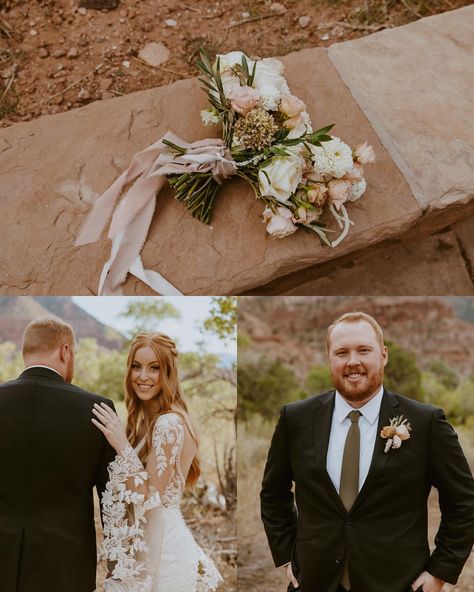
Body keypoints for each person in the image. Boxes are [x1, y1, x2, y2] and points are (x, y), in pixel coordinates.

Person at [260, 311, 474, 592]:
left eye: (364, 350)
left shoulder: (426, 423)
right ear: (329, 358)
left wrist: (439, 572)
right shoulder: (295, 419)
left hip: (398, 584)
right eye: (341, 352)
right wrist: (287, 556)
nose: (353, 362)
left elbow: (464, 502)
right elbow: (273, 495)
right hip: (314, 582)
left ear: (383, 355)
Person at [91, 332, 223, 592]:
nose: (143, 376)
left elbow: (150, 495)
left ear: (169, 372)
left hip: (163, 555)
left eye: (155, 368)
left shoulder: (169, 422)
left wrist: (120, 444)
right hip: (145, 547)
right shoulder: (146, 422)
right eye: (136, 367)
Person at [0, 315, 116, 592]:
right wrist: (118, 569)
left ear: (25, 351)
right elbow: (111, 501)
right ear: (65, 351)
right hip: (65, 568)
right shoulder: (97, 409)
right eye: (74, 352)